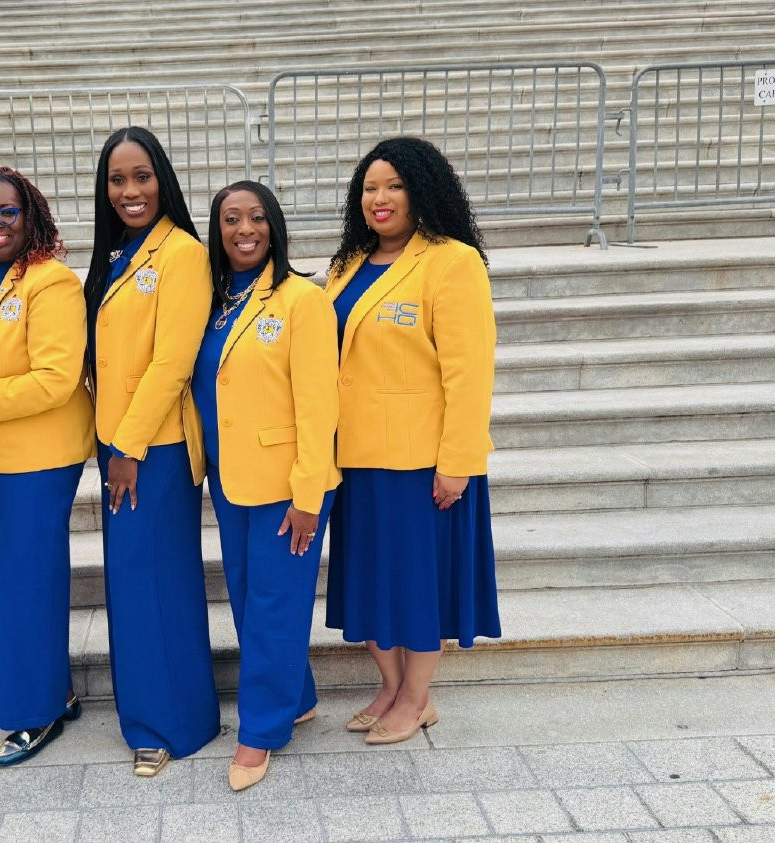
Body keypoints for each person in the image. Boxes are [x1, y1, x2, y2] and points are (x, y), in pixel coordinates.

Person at [323, 137, 502, 745]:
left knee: (417, 587)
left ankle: (417, 696)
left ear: (421, 191)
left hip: (420, 463)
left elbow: (469, 373)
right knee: (374, 583)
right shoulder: (346, 264)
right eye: (370, 187)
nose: (380, 198)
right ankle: (392, 687)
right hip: (352, 459)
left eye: (394, 186)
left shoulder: (453, 263)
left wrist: (458, 463)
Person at [0, 167, 94, 767]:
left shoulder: (50, 283)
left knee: (29, 583)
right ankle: (48, 688)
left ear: (30, 215)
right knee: (4, 581)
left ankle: (37, 714)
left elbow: (56, 379)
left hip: (38, 458)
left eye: (7, 212)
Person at [194, 181, 339, 791]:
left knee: (274, 604)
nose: (243, 229)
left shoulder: (302, 301)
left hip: (289, 484)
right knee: (253, 598)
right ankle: (296, 696)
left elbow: (319, 405)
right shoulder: (212, 298)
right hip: (232, 478)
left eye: (255, 217)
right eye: (230, 219)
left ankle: (259, 731)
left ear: (274, 225)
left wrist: (309, 496)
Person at [83, 126, 218, 777]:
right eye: (117, 179)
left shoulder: (182, 253)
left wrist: (128, 446)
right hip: (121, 441)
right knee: (137, 585)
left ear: (162, 178)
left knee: (154, 583)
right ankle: (167, 711)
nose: (130, 189)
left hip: (154, 448)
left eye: (141, 175)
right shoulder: (116, 254)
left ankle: (170, 724)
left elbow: (172, 361)